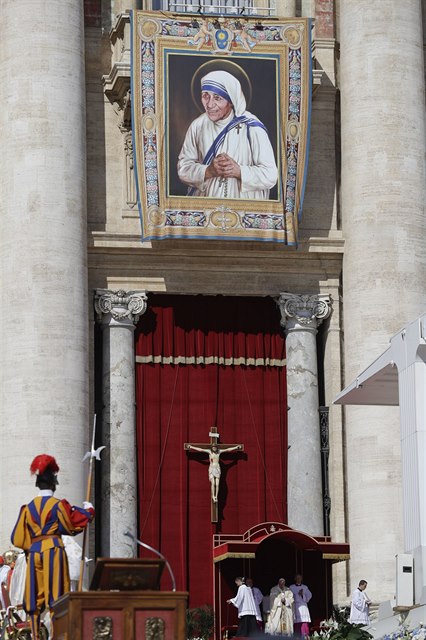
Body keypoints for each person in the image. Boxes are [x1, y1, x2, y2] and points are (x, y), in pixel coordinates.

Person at [10, 454, 95, 640]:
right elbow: (72, 525)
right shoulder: (57, 505)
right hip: (53, 551)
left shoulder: (27, 508)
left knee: (34, 598)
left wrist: (30, 548)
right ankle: (57, 636)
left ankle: (34, 636)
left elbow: (16, 538)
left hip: (34, 553)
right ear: (54, 483)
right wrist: (89, 511)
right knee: (56, 596)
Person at [177, 70, 278, 199]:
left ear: (231, 101)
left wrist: (239, 171)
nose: (209, 104)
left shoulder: (252, 127)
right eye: (205, 96)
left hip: (245, 209)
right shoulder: (198, 126)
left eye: (217, 98)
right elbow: (183, 169)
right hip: (207, 207)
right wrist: (208, 171)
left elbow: (270, 175)